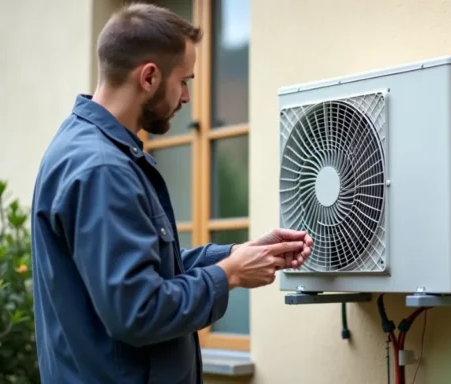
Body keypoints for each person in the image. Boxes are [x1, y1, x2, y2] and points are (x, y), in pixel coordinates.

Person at [29, 3, 313, 383]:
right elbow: (138, 310)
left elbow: (143, 269)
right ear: (148, 77)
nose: (187, 98)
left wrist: (236, 255)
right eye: (185, 81)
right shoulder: (103, 169)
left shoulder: (85, 147)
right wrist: (228, 275)